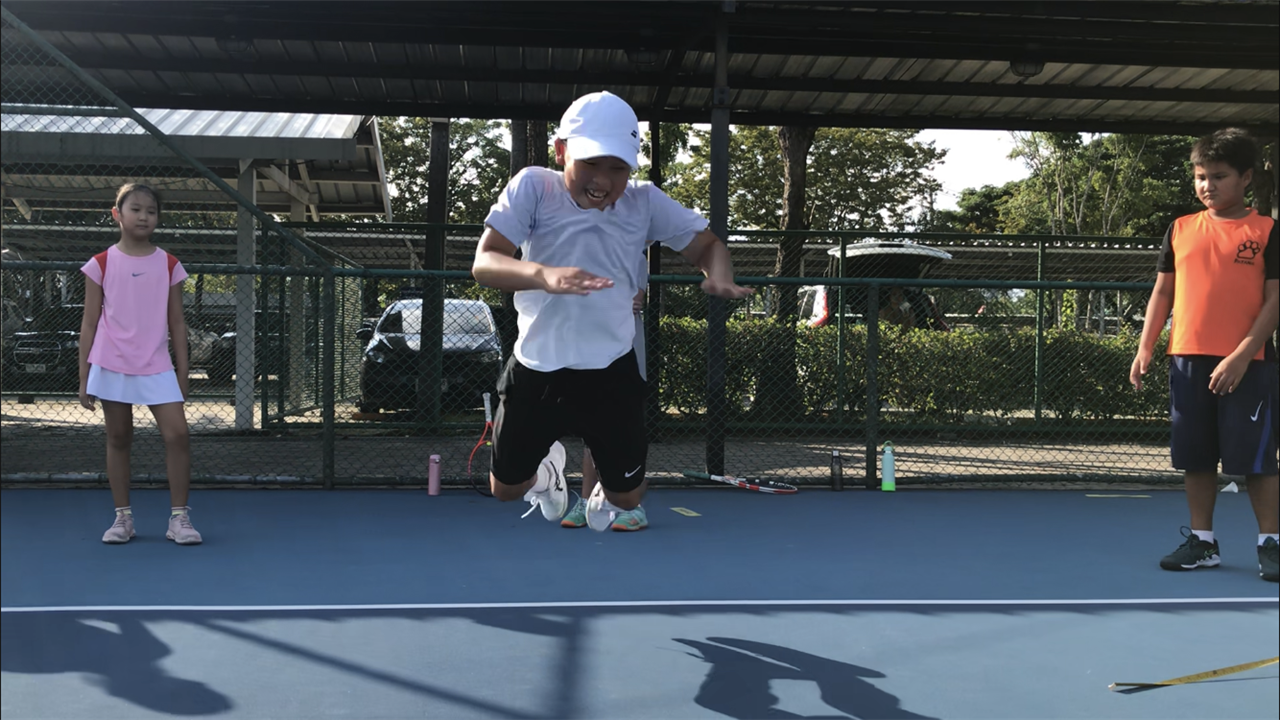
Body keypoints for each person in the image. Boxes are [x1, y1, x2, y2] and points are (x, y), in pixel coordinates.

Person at [472, 90, 752, 532]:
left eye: (618, 167)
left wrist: (718, 274)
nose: (603, 179)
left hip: (609, 371)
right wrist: (544, 275)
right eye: (590, 163)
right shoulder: (534, 187)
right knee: (504, 489)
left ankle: (606, 490)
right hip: (537, 368)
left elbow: (709, 245)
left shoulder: (644, 201)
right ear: (561, 151)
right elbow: (485, 262)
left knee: (627, 498)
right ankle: (548, 474)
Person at [1130, 128, 1278, 582]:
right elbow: (1163, 292)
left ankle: (1271, 544)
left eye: (1219, 176)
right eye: (1200, 177)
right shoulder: (1180, 229)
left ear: (1246, 178)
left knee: (1257, 460)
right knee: (1196, 457)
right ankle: (1203, 542)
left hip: (1249, 364)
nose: (1207, 185)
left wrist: (1242, 354)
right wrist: (1146, 345)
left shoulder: (1267, 231)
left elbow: (1275, 301)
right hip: (1187, 361)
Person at [79, 183, 201, 545]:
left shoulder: (169, 264)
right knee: (118, 437)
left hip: (157, 364)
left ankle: (179, 519)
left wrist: (183, 373)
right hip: (111, 362)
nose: (144, 216)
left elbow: (177, 322)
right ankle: (123, 519)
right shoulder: (100, 264)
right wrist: (84, 377)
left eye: (151, 211)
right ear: (117, 214)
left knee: (178, 435)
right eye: (135, 209)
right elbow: (89, 323)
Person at [563, 253, 651, 531]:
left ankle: (634, 509)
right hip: (589, 358)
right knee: (592, 432)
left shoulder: (635, 257)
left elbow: (634, 301)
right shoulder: (583, 254)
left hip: (626, 359)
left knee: (627, 435)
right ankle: (586, 501)